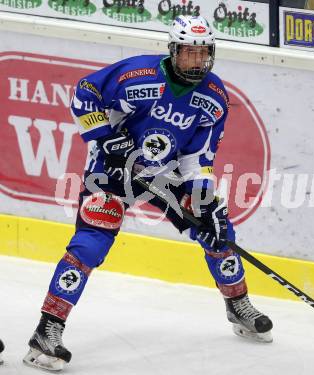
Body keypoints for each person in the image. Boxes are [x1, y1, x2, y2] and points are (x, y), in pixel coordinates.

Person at [23, 15, 273, 372]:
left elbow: (198, 159)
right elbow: (85, 93)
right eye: (189, 53)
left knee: (217, 228)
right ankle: (48, 330)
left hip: (166, 175)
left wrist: (201, 197)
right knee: (92, 242)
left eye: (203, 54)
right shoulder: (136, 75)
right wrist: (106, 138)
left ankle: (239, 304)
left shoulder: (214, 98)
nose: (196, 61)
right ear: (173, 51)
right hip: (112, 171)